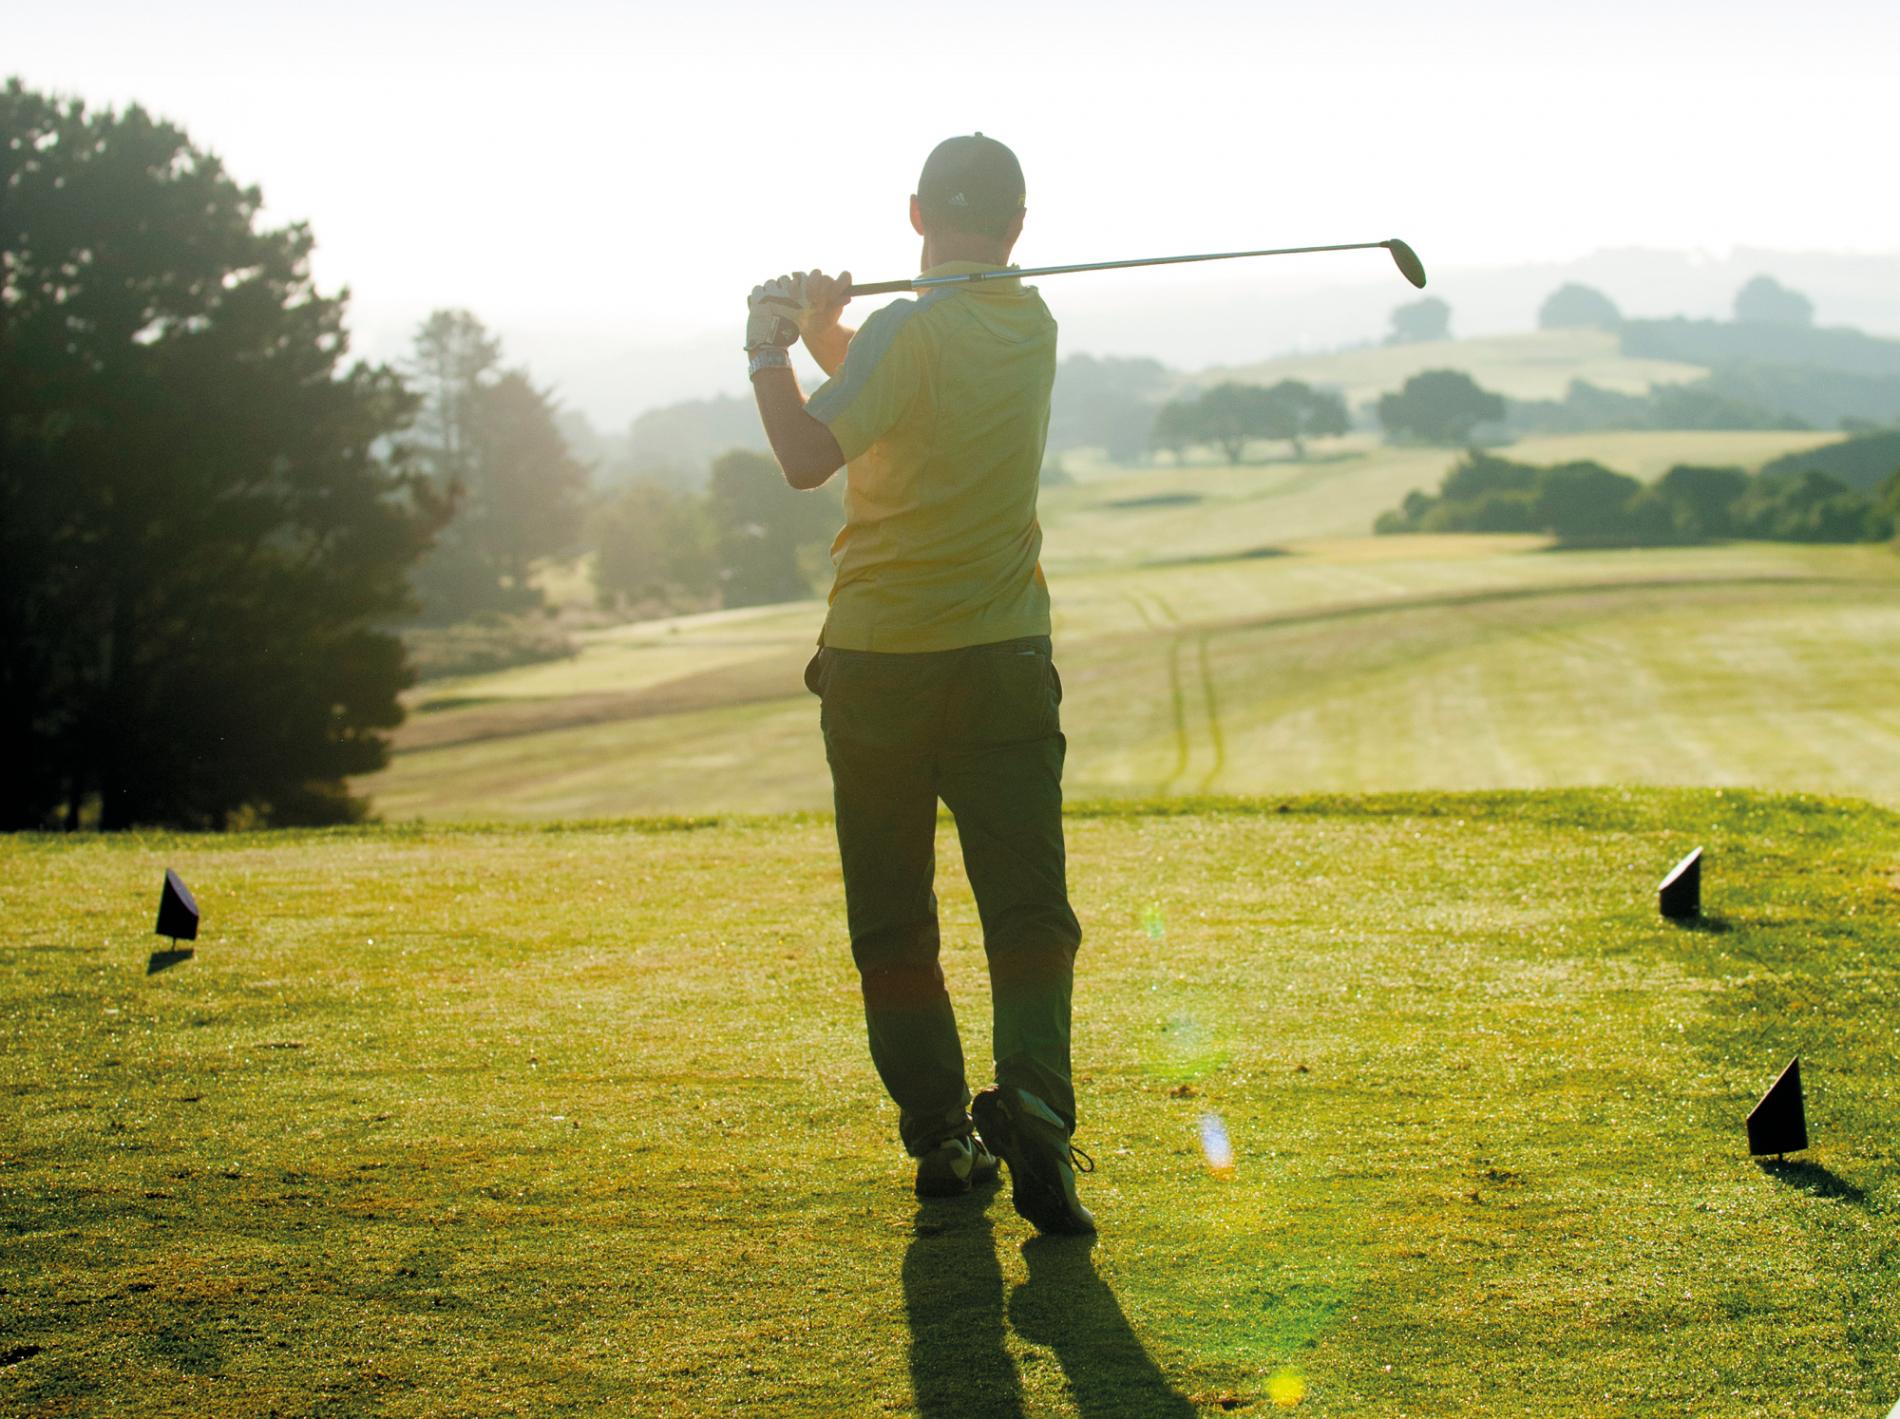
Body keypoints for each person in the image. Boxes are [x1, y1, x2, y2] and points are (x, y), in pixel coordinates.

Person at [743, 134, 1092, 1234]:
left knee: (894, 924)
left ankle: (942, 1138)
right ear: (1019, 225)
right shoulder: (1028, 327)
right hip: (1001, 665)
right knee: (1028, 914)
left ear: (912, 216)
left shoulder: (904, 332)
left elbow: (810, 452)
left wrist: (766, 350)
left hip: (880, 669)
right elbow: (896, 378)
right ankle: (1033, 1099)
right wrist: (825, 332)